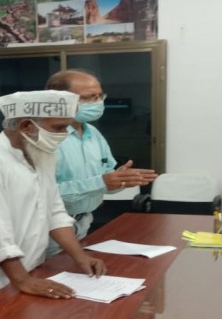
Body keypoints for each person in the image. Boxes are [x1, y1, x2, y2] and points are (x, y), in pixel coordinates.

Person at [0, 90, 107, 318]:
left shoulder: (42, 154)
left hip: (30, 270)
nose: (64, 134)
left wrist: (81, 258)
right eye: (58, 128)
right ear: (26, 126)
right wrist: (23, 280)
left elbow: (55, 213)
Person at [45, 69, 157, 257]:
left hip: (83, 223)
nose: (97, 102)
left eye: (99, 96)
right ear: (60, 99)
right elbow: (42, 194)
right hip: (50, 229)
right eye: (89, 98)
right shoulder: (45, 138)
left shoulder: (93, 133)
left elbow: (105, 182)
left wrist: (120, 180)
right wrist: (101, 182)